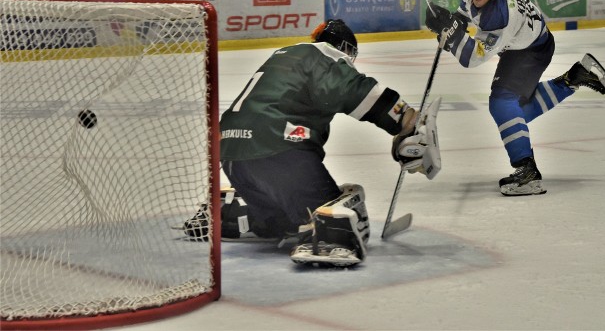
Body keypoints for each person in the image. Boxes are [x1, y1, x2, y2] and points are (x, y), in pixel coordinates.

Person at [183, 19, 437, 266]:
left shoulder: (287, 55)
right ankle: (329, 239)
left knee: (286, 220)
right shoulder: (325, 56)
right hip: (278, 151)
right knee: (337, 208)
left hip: (231, 155)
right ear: (346, 50)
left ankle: (233, 214)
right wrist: (406, 121)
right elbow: (357, 91)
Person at [424, 0, 605, 196]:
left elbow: (473, 58)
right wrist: (450, 23)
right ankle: (574, 78)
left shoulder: (501, 15)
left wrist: (451, 36)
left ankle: (527, 172)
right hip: (525, 45)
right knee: (515, 115)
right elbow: (465, 13)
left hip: (531, 51)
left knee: (502, 102)